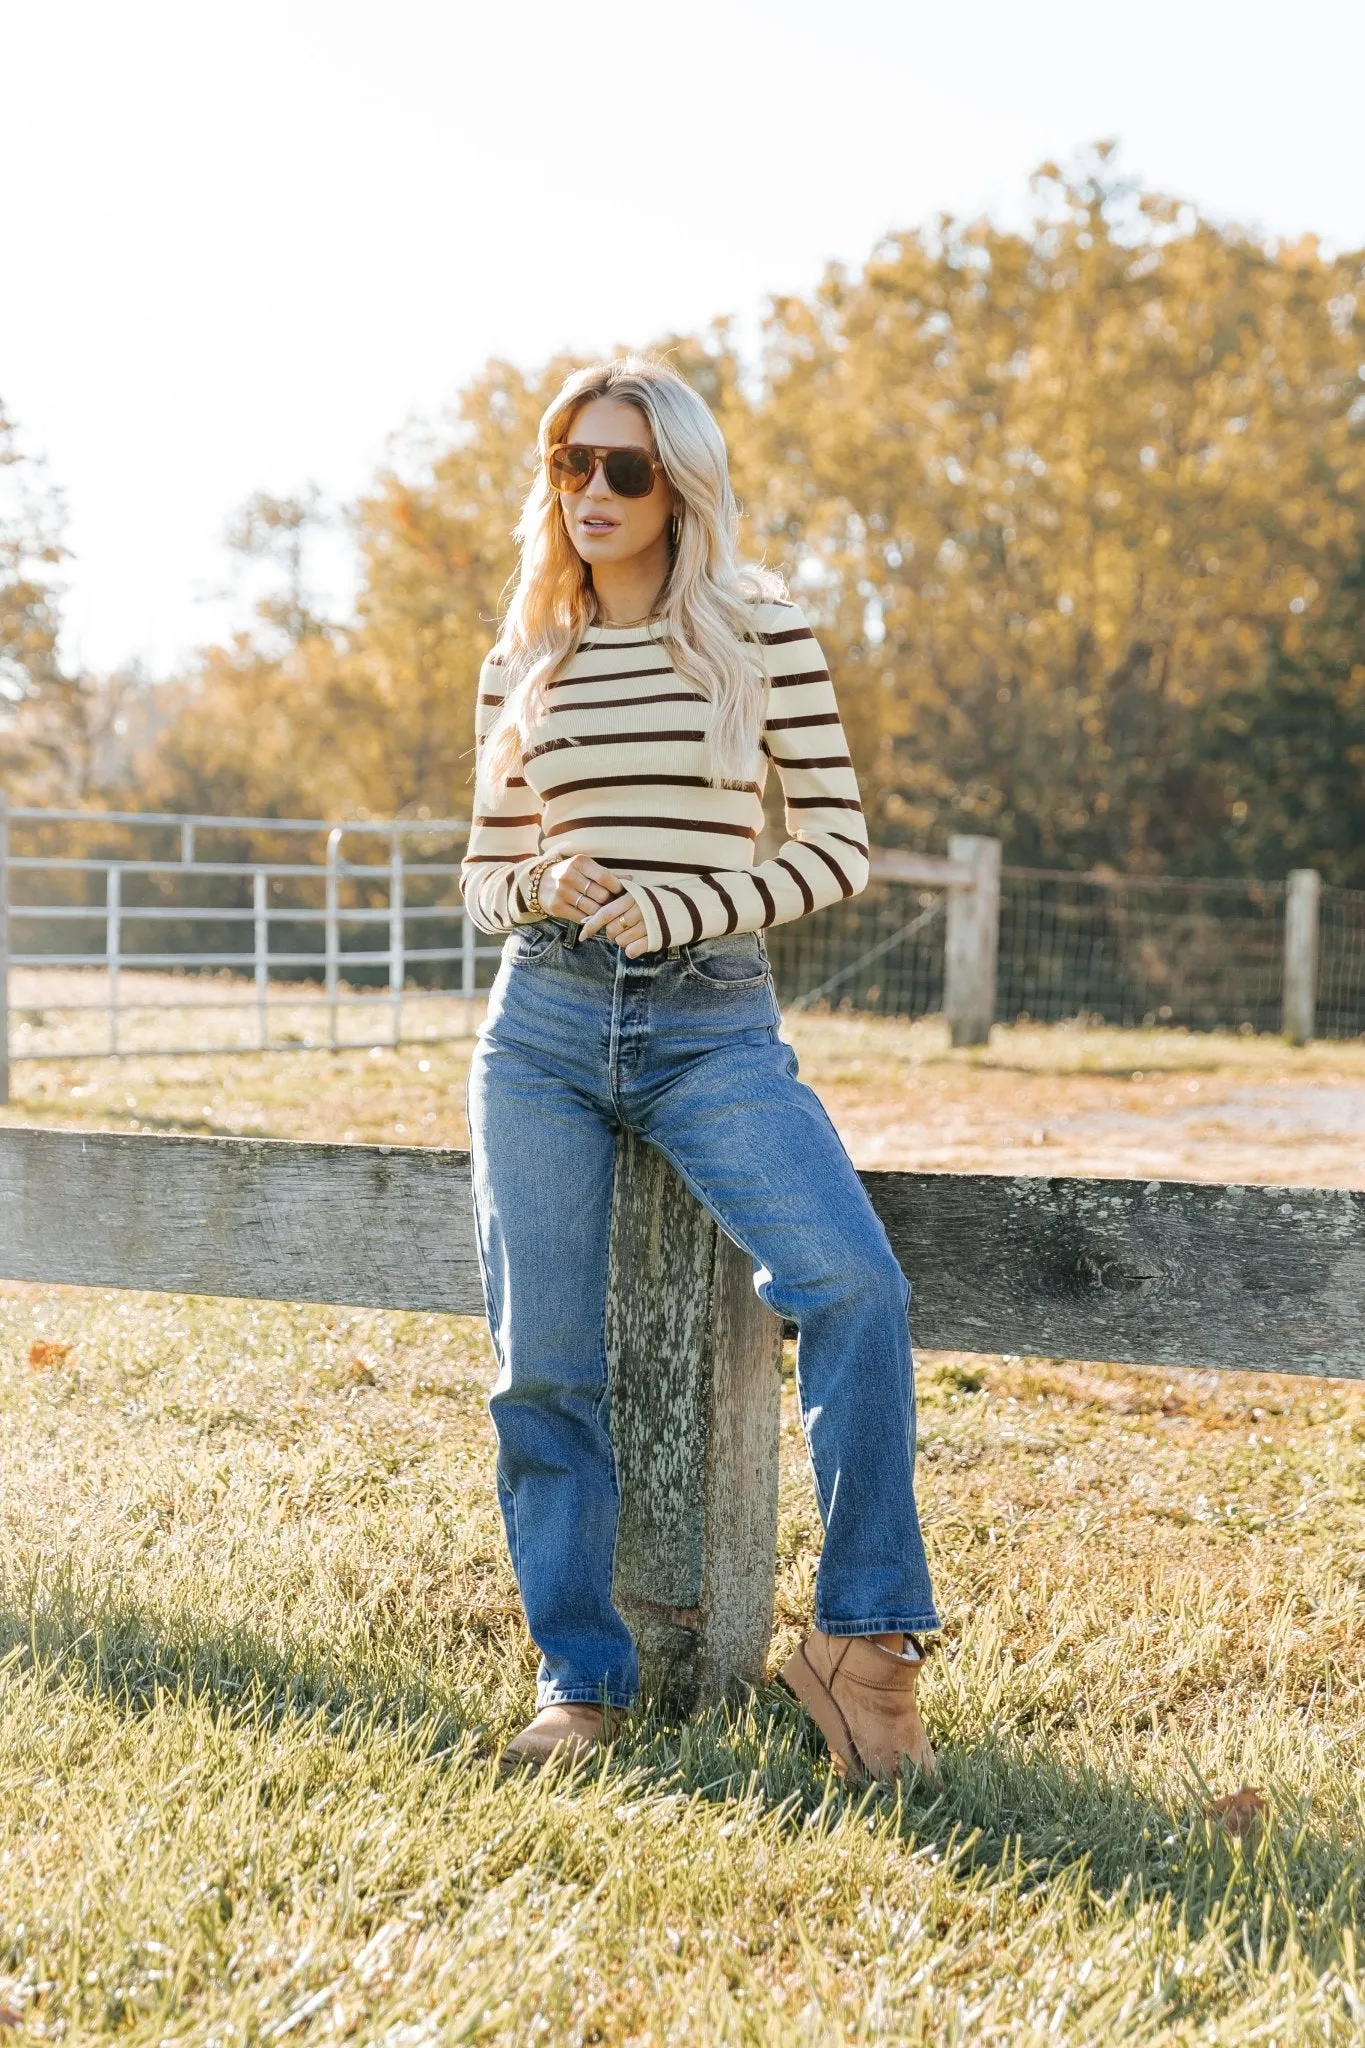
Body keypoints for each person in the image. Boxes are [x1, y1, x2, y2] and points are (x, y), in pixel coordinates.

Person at [461, 355, 939, 1783]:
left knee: (853, 1284)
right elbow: (480, 878)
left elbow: (839, 846)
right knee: (542, 1365)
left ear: (682, 484)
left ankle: (865, 1649)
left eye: (627, 468)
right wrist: (540, 878)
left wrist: (683, 908)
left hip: (710, 1023)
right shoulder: (527, 653)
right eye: (571, 464)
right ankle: (581, 1680)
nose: (593, 493)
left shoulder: (760, 631)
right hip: (543, 1022)